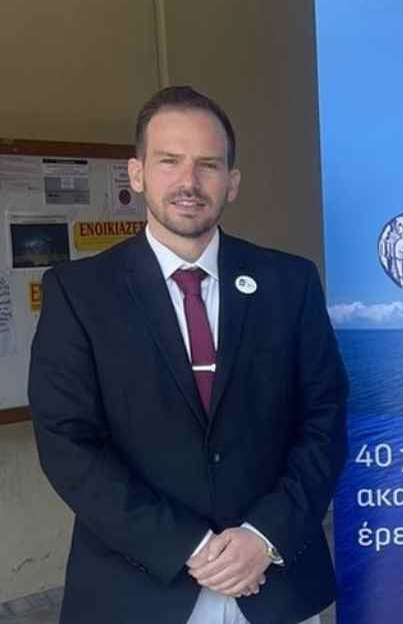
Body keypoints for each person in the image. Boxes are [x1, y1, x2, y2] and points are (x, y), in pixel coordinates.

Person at [28, 86, 348, 624]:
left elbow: (324, 419)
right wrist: (189, 546)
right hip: (136, 590)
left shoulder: (289, 283)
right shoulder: (79, 292)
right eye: (169, 161)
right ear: (136, 174)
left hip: (273, 582)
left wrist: (264, 535)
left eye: (208, 165)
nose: (188, 183)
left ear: (232, 182)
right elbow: (67, 443)